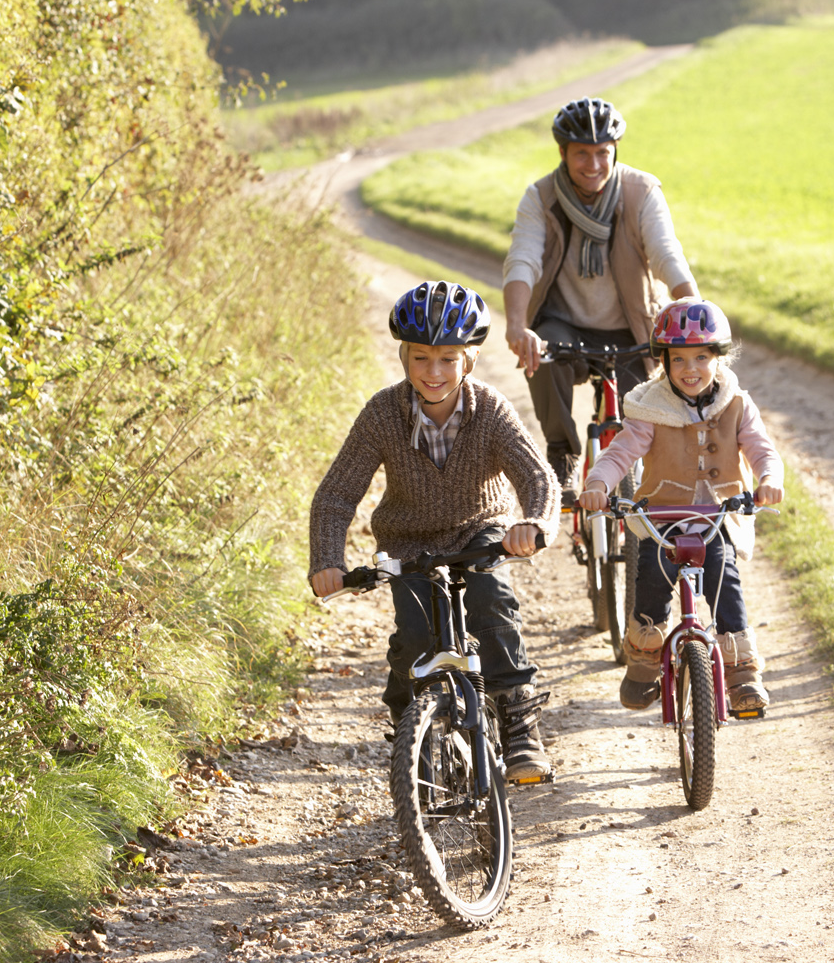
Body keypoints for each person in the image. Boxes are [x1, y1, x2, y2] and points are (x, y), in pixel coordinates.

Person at [309, 281, 559, 781]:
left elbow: (536, 475)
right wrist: (327, 560)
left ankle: (517, 727)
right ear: (403, 357)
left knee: (492, 606)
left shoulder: (489, 408)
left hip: (480, 530)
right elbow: (337, 493)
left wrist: (533, 522)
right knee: (415, 638)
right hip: (409, 541)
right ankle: (411, 732)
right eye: (421, 358)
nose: (434, 372)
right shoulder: (383, 413)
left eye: (448, 359)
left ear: (469, 360)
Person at [577, 298, 784, 713]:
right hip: (661, 515)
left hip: (717, 515)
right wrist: (599, 482)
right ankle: (643, 663)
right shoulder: (651, 408)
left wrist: (769, 480)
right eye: (679, 359)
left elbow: (762, 449)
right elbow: (621, 453)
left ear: (718, 358)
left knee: (725, 582)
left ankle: (742, 674)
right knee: (652, 582)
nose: (691, 369)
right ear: (664, 362)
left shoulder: (736, 403)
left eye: (701, 357)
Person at [502, 95, 702, 503]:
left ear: (615, 152)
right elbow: (522, 260)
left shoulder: (641, 191)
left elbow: (666, 254)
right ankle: (562, 454)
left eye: (602, 153)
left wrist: (693, 307)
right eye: (581, 154)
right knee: (541, 354)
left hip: (632, 327)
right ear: (562, 152)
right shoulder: (540, 198)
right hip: (565, 324)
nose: (593, 165)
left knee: (642, 419)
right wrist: (516, 325)